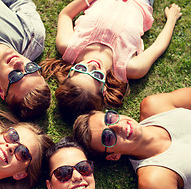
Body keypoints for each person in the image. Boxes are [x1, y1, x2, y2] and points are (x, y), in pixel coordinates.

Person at [40, 0, 181, 121]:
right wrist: (172, 19)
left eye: (81, 69)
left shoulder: (68, 46)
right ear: (104, 89)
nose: (92, 66)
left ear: (69, 73)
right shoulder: (130, 68)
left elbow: (65, 15)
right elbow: (158, 46)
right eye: (97, 76)